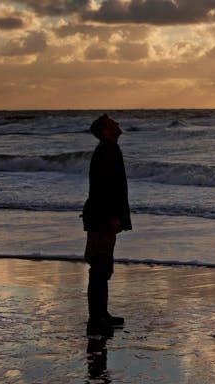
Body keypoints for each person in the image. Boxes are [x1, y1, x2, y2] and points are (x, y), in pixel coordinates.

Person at [83, 113, 132, 336]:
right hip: (100, 218)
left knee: (103, 268)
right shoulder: (106, 151)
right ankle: (96, 319)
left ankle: (102, 315)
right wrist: (113, 216)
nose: (118, 124)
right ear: (105, 131)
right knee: (99, 268)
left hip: (102, 217)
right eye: (113, 123)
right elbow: (103, 190)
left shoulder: (109, 150)